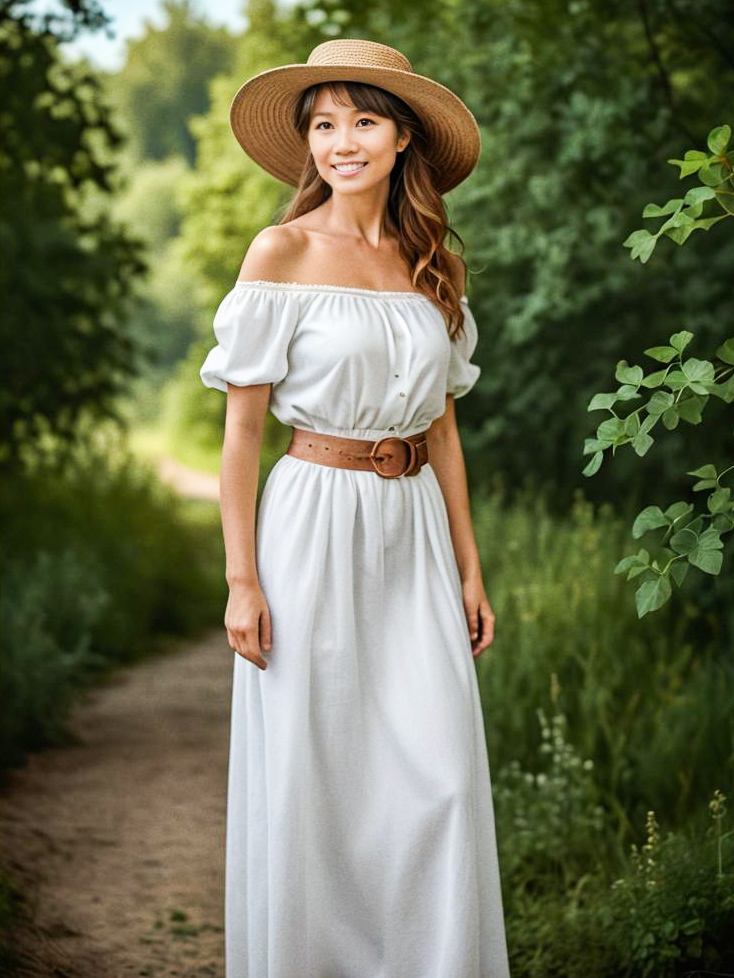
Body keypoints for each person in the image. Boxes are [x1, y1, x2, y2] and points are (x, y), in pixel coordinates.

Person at [199, 37, 511, 978]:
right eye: (324, 124)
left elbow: (446, 435)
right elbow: (243, 436)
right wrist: (242, 580)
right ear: (307, 143)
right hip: (308, 527)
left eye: (363, 120)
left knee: (440, 778)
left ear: (403, 135)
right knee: (316, 776)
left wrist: (470, 569)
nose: (342, 141)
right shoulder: (281, 251)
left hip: (411, 532)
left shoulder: (432, 268)